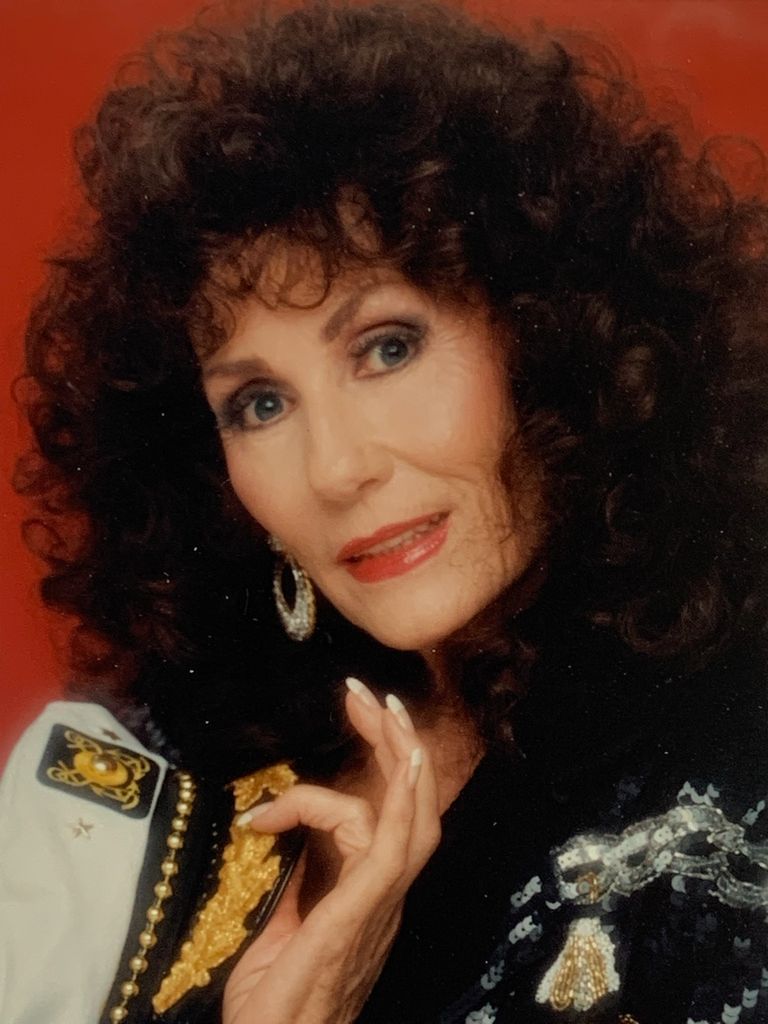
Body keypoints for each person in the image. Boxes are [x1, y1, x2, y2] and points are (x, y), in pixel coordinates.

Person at [2, 1, 768, 1022]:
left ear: (544, 337)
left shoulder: (732, 794)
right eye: (259, 404)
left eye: (387, 347)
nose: (336, 468)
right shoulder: (140, 782)